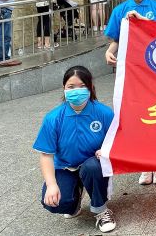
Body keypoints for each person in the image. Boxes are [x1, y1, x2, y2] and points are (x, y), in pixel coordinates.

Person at [104, 0, 156, 185]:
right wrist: (110, 51)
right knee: (138, 117)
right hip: (132, 73)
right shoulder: (120, 10)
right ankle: (144, 164)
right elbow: (117, 38)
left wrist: (143, 22)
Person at [33, 66, 117, 233]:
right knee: (57, 202)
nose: (76, 91)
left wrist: (107, 149)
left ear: (90, 87)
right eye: (71, 87)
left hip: (93, 165)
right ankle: (75, 198)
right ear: (64, 88)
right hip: (65, 167)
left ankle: (101, 209)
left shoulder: (104, 113)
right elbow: (46, 155)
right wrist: (51, 185)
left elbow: (118, 139)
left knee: (92, 167)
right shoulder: (53, 118)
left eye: (82, 86)